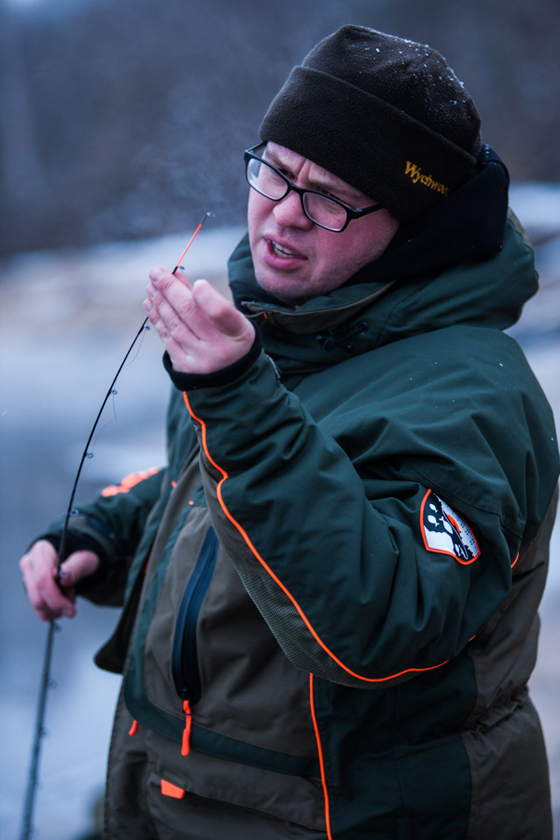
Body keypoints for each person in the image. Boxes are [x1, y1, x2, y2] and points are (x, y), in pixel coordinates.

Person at [20, 25, 559, 840]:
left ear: (415, 225)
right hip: (177, 793)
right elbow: (208, 487)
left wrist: (237, 397)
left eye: (330, 198)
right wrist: (107, 532)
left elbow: (382, 621)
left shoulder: (472, 394)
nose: (282, 214)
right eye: (274, 170)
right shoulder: (288, 324)